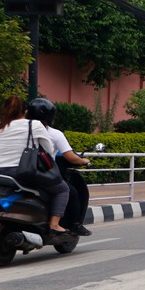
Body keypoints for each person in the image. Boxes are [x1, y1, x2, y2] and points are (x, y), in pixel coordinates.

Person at [0, 96, 72, 236]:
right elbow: (49, 149)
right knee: (62, 189)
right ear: (25, 111)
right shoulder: (34, 125)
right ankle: (54, 225)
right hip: (22, 173)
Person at [28, 97, 93, 236]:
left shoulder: (18, 129)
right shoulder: (53, 133)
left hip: (12, 171)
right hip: (41, 173)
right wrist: (84, 161)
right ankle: (59, 224)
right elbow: (70, 156)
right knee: (68, 191)